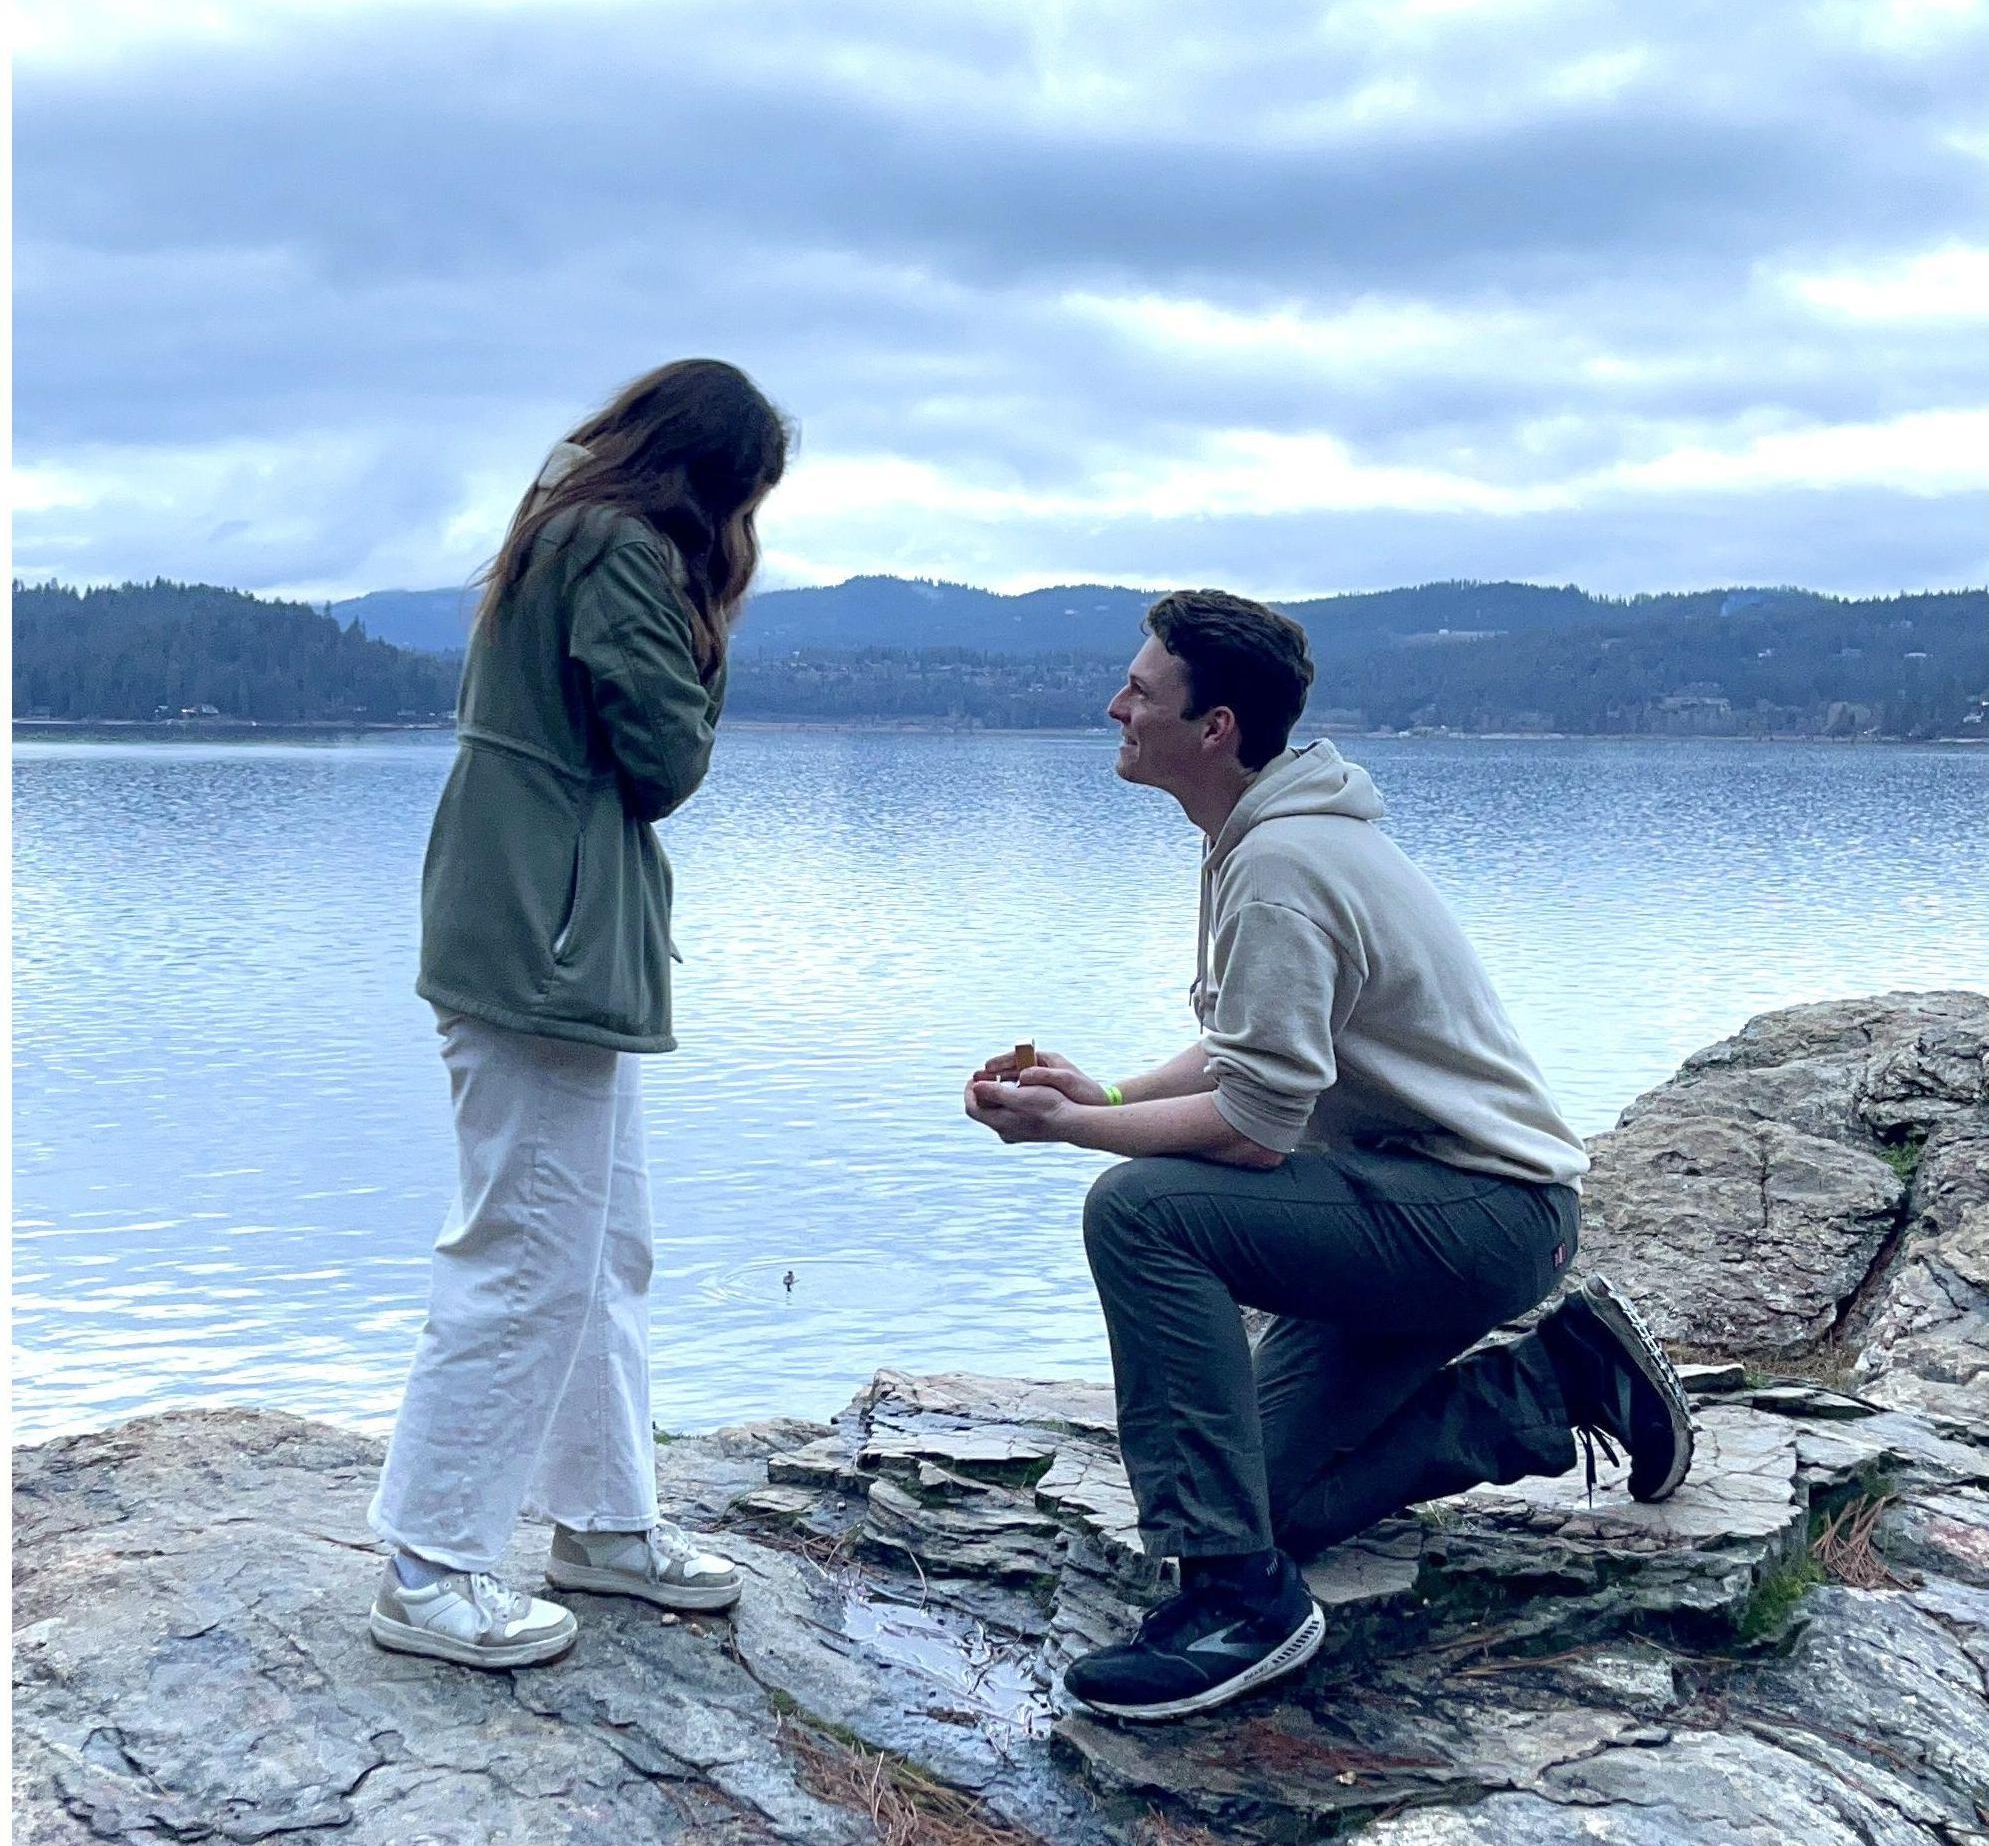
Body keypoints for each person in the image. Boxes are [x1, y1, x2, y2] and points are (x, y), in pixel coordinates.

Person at [965, 589, 1693, 1723]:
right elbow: (1253, 1045)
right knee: (1258, 1500)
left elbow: (1257, 1128)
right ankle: (1559, 1383)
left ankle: (1234, 1604)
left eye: (1140, 691)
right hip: (1429, 1209)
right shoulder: (1274, 837)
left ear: (1214, 728)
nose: (1115, 706)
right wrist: (1102, 1091)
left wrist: (1073, 1129)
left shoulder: (1283, 862)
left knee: (1139, 1209)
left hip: (1476, 1213)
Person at [367, 358, 792, 1669]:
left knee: (602, 1244)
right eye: (749, 500)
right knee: (526, 1253)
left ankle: (605, 1522)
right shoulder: (619, 548)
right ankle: (428, 1569)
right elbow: (666, 761)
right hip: (544, 935)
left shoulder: (563, 527)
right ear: (713, 483)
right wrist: (711, 618)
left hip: (543, 922)